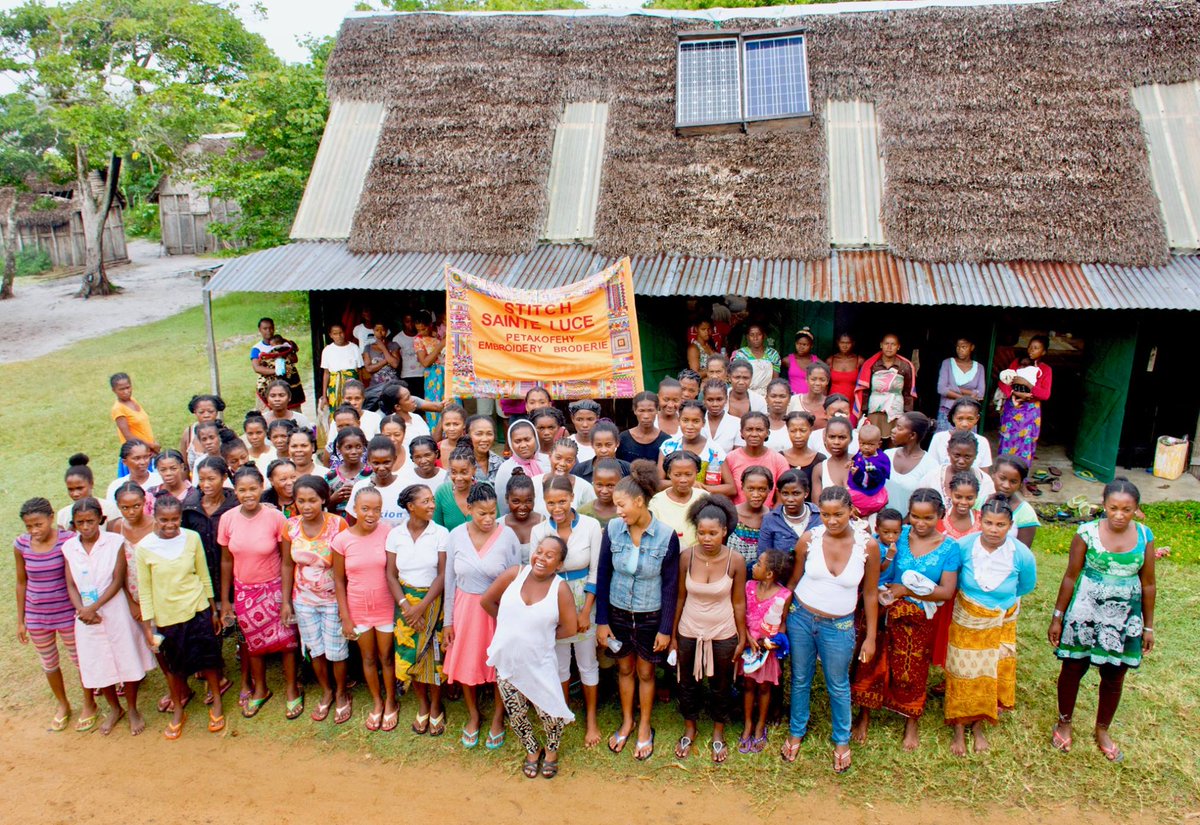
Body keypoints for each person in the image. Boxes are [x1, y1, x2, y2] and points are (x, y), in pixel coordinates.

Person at [1049, 477, 1154, 762]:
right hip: (1086, 612)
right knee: (1073, 667)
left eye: (1127, 509)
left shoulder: (1145, 536)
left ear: (1137, 509)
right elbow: (1070, 576)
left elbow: (1148, 584)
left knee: (1115, 674)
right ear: (1104, 505)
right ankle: (1064, 722)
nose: (1119, 515)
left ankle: (1102, 729)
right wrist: (1058, 617)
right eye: (1113, 508)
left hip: (1124, 619)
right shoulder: (1086, 533)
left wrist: (1148, 626)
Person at [781, 486, 881, 773]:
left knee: (837, 683)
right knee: (800, 677)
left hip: (840, 625)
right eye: (825, 514)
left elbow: (870, 593)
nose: (832, 520)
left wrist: (870, 637)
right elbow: (793, 582)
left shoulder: (867, 546)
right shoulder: (809, 539)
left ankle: (841, 739)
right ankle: (796, 731)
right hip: (801, 617)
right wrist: (781, 618)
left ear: (851, 511)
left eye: (838, 514)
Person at [850, 489, 959, 750]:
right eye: (916, 516)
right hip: (883, 610)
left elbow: (946, 591)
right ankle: (864, 714)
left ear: (940, 515)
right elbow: (873, 561)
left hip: (917, 618)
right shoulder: (897, 533)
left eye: (928, 518)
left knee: (913, 668)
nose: (920, 523)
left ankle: (911, 720)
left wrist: (906, 591)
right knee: (872, 661)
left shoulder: (950, 547)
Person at [595, 461, 681, 761]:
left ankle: (645, 725)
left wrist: (665, 629)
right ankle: (627, 721)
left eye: (622, 505)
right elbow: (603, 575)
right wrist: (602, 621)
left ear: (640, 502)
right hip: (618, 613)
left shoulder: (666, 536)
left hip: (649, 615)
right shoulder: (613, 530)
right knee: (625, 669)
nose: (617, 511)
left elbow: (670, 586)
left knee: (646, 671)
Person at [945, 497, 1036, 757]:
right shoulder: (964, 546)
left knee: (989, 672)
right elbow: (953, 576)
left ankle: (978, 725)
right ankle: (959, 727)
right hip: (967, 618)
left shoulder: (1021, 554)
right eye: (988, 523)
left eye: (1000, 525)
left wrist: (998, 604)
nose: (994, 530)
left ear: (1010, 525)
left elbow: (1025, 585)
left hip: (1001, 620)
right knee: (962, 672)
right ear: (980, 521)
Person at [482, 535, 578, 778]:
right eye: (539, 551)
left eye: (550, 555)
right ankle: (532, 750)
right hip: (507, 660)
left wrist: (540, 636)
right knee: (516, 713)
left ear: (559, 564)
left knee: (551, 712)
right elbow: (486, 601)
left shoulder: (560, 588)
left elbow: (570, 628)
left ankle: (552, 752)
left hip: (539, 663)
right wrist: (510, 626)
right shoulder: (514, 574)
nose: (541, 558)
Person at [135, 495, 226, 738]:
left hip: (197, 608)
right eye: (164, 520)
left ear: (180, 518)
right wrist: (148, 626)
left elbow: (204, 575)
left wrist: (213, 610)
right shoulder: (143, 548)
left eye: (174, 519)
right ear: (155, 518)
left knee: (208, 659)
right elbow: (145, 589)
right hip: (167, 616)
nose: (170, 524)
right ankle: (178, 709)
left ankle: (217, 702)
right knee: (174, 666)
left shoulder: (192, 538)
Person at [63, 498, 156, 735]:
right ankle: (115, 708)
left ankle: (132, 708)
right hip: (85, 616)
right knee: (98, 662)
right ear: (74, 524)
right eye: (80, 523)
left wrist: (94, 607)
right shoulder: (69, 548)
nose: (86, 527)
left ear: (100, 520)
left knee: (126, 657)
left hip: (114, 609)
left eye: (90, 521)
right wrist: (82, 609)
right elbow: (70, 583)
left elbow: (117, 580)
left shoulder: (115, 542)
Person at [217, 466, 301, 720]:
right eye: (242, 490)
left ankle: (291, 689)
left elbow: (287, 561)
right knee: (253, 644)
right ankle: (260, 689)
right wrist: (225, 600)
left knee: (287, 641)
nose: (248, 494)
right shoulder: (227, 519)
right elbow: (226, 561)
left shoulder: (275, 518)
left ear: (262, 487)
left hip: (274, 587)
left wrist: (286, 599)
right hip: (244, 591)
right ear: (235, 491)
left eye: (253, 489)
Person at [670, 495, 748, 764]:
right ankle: (689, 728)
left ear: (724, 531)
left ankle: (718, 731)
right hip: (689, 629)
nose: (706, 538)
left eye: (713, 533)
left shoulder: (735, 561)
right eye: (701, 532)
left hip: (723, 631)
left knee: (721, 684)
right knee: (686, 683)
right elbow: (680, 597)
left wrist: (741, 635)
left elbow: (739, 601)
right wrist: (673, 635)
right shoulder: (686, 557)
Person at [443, 483, 521, 749]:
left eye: (492, 512)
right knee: (467, 661)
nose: (489, 519)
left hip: (497, 610)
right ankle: (474, 715)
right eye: (482, 513)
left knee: (499, 665)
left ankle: (499, 716)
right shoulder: (456, 535)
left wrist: (514, 618)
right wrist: (448, 621)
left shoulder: (507, 536)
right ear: (469, 509)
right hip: (465, 609)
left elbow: (515, 579)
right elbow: (450, 580)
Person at [529, 477, 604, 748]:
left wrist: (585, 612)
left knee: (587, 661)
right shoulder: (539, 530)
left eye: (562, 501)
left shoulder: (590, 526)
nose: (557, 508)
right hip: (553, 600)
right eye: (551, 503)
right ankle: (563, 710)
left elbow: (596, 570)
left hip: (584, 599)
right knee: (559, 662)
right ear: (544, 503)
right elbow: (536, 570)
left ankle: (591, 719)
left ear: (572, 497)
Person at [14, 497, 99, 732]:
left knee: (80, 660)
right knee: (49, 663)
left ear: (51, 518)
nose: (34, 530)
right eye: (29, 526)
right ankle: (63, 705)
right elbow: (21, 583)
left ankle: (89, 703)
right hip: (37, 616)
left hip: (67, 613)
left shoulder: (68, 541)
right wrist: (21, 621)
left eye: (38, 524)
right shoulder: (21, 544)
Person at [282, 476, 350, 724]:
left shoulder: (338, 524)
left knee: (337, 650)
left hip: (332, 599)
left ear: (323, 499)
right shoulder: (290, 527)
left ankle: (341, 693)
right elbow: (286, 565)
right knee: (315, 648)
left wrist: (345, 605)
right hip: (303, 600)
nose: (306, 506)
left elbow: (345, 567)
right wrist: (286, 601)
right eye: (301, 501)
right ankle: (327, 691)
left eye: (312, 500)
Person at [332, 486, 399, 732]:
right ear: (354, 509)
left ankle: (391, 700)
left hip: (385, 605)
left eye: (377, 509)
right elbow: (339, 580)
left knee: (386, 657)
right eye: (365, 509)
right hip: (358, 607)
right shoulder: (342, 540)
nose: (371, 514)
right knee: (368, 658)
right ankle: (377, 701)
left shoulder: (388, 533)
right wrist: (345, 617)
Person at [386, 483, 449, 736]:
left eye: (432, 500)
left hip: (432, 601)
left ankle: (435, 706)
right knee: (410, 654)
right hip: (404, 602)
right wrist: (406, 606)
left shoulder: (440, 533)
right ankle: (422, 703)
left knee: (433, 657)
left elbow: (443, 574)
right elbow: (391, 575)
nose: (432, 505)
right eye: (426, 501)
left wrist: (421, 607)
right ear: (411, 507)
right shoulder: (395, 535)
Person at [739, 548, 792, 754]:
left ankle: (760, 725)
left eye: (759, 564)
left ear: (769, 574)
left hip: (766, 651)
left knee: (764, 688)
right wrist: (747, 637)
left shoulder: (784, 595)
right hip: (748, 646)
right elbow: (741, 614)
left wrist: (772, 642)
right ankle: (748, 723)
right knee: (748, 685)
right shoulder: (748, 586)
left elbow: (782, 623)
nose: (753, 566)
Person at [998, 335, 1053, 464]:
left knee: (1026, 443)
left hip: (1030, 412)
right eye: (1030, 347)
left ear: (1043, 352)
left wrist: (1028, 385)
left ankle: (1021, 473)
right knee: (1007, 438)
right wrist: (1014, 393)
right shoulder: (1017, 363)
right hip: (1012, 407)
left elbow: (1045, 395)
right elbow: (1003, 382)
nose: (1031, 350)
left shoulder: (1045, 370)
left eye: (1036, 348)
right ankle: (1003, 470)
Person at [853, 333, 916, 436]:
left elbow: (908, 392)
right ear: (881, 345)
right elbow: (865, 391)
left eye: (893, 344)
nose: (889, 347)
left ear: (898, 347)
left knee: (895, 439)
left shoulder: (904, 366)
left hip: (896, 410)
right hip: (874, 409)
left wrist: (907, 414)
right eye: (886, 344)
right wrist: (863, 411)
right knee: (873, 437)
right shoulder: (872, 365)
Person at [917, 429, 996, 509]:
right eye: (957, 456)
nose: (961, 461)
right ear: (948, 451)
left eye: (967, 457)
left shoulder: (985, 482)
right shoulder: (932, 478)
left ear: (975, 455)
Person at [657, 400, 725, 492]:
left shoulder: (714, 450)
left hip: (703, 499)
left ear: (703, 423)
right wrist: (688, 483)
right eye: (685, 420)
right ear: (678, 420)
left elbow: (731, 487)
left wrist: (702, 488)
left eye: (696, 421)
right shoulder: (668, 446)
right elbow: (658, 483)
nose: (690, 426)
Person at [883, 411, 938, 517]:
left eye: (899, 428)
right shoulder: (887, 455)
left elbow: (926, 502)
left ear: (912, 435)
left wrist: (903, 523)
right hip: (881, 520)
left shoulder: (930, 465)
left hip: (909, 524)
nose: (893, 430)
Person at [650, 451, 708, 549]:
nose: (683, 480)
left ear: (696, 473)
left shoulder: (704, 498)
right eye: (677, 475)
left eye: (688, 474)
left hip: (698, 554)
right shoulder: (656, 502)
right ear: (669, 474)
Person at [759, 469, 820, 554]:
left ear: (806, 493)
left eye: (796, 493)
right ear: (779, 493)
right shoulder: (770, 520)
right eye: (785, 494)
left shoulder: (819, 516)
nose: (790, 499)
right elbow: (764, 555)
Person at [109, 373, 159, 475]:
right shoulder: (118, 409)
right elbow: (128, 436)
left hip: (147, 451)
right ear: (114, 390)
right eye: (121, 389)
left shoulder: (132, 401)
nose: (126, 392)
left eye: (128, 387)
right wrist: (151, 446)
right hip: (136, 455)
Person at [496, 420, 549, 514]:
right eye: (517, 441)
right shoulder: (505, 469)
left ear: (536, 439)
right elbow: (503, 506)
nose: (523, 445)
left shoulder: (548, 461)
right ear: (510, 443)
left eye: (527, 440)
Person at [251, 317, 304, 410]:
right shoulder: (257, 349)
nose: (268, 331)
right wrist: (277, 371)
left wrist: (287, 354)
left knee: (292, 412)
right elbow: (257, 368)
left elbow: (295, 359)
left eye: (271, 328)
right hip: (268, 385)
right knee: (267, 413)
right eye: (265, 328)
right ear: (260, 330)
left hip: (289, 384)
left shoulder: (284, 343)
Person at [936, 338, 986, 432]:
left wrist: (951, 388)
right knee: (946, 438)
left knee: (966, 439)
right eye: (958, 347)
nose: (960, 350)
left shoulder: (979, 367)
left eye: (964, 347)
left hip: (969, 413)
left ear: (972, 347)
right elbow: (941, 389)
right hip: (948, 411)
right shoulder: (947, 363)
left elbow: (980, 394)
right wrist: (967, 396)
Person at [57, 455, 119, 528]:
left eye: (80, 488)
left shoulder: (109, 509)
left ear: (91, 484)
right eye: (70, 489)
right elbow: (63, 535)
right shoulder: (63, 515)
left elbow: (114, 534)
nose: (75, 494)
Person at [990, 456, 1040, 547]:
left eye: (1013, 482)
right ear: (993, 475)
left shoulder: (1025, 512)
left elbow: (1023, 551)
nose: (1006, 485)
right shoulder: (980, 501)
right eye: (1002, 478)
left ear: (1021, 484)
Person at [928, 399, 992, 469]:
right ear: (953, 417)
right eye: (960, 418)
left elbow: (983, 473)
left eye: (970, 419)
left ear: (977, 418)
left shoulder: (982, 442)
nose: (965, 424)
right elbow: (931, 468)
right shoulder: (939, 438)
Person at [729, 467, 772, 566]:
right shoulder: (731, 514)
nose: (756, 494)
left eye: (762, 489)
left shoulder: (772, 518)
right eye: (751, 489)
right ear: (742, 487)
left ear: (769, 489)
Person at [848, 423, 891, 519]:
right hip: (858, 488)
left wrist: (858, 474)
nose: (866, 447)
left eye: (870, 444)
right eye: (863, 444)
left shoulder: (880, 460)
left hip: (872, 492)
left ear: (879, 444)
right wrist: (851, 464)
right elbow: (856, 461)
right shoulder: (861, 453)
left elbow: (875, 477)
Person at [326, 427, 371, 518]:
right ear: (339, 448)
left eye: (358, 447)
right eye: (348, 447)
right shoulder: (330, 476)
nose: (354, 452)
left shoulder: (371, 475)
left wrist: (356, 494)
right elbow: (324, 509)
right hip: (338, 524)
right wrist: (333, 499)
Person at [413, 309, 446, 429]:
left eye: (423, 329)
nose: (421, 332)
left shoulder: (439, 334)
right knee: (434, 404)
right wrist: (440, 346)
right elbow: (425, 362)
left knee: (449, 402)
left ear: (430, 325)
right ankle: (435, 431)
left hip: (446, 373)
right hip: (433, 375)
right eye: (418, 330)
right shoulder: (418, 340)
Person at [320, 324, 363, 414]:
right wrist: (324, 395)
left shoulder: (354, 348)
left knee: (353, 411)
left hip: (352, 386)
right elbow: (326, 373)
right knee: (336, 412)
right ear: (330, 335)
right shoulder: (327, 350)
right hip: (335, 387)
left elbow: (359, 371)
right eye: (335, 334)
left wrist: (362, 389)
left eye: (341, 333)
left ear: (345, 332)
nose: (339, 336)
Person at [179, 394, 226, 474]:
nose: (206, 415)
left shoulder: (225, 431)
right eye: (201, 412)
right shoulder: (189, 433)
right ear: (195, 412)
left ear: (217, 412)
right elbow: (184, 466)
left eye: (210, 411)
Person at [618, 392, 669, 464]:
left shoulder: (666, 441)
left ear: (657, 410)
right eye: (641, 411)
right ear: (635, 410)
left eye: (650, 410)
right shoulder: (623, 439)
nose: (646, 416)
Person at [502, 473, 544, 561]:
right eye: (516, 501)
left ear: (534, 498)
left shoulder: (542, 522)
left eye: (528, 501)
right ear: (506, 499)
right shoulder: (499, 525)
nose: (522, 507)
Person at [810, 417, 854, 500]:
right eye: (832, 437)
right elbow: (817, 505)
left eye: (842, 437)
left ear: (851, 439)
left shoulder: (861, 463)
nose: (836, 442)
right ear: (825, 438)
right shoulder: (820, 469)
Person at [780, 411, 825, 490]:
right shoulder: (780, 458)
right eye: (793, 431)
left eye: (803, 430)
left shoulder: (820, 460)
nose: (798, 435)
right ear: (787, 430)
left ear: (810, 430)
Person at [434, 447, 477, 531]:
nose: (458, 478)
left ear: (474, 470)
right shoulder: (442, 492)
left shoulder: (485, 490)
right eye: (453, 472)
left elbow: (495, 527)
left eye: (464, 472)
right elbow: (436, 529)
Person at [731, 322, 780, 394]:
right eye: (752, 335)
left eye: (759, 334)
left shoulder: (772, 354)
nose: (755, 338)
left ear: (764, 336)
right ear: (747, 337)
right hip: (746, 393)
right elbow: (738, 378)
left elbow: (775, 380)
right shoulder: (741, 354)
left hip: (767, 393)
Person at [787, 361, 831, 431]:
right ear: (806, 379)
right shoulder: (794, 400)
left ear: (827, 381)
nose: (817, 383)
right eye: (813, 379)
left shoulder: (830, 404)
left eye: (822, 380)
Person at [391, 313, 427, 398]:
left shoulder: (423, 334)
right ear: (403, 322)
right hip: (407, 375)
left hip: (423, 374)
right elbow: (398, 361)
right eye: (407, 322)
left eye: (412, 321)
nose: (410, 324)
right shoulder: (397, 339)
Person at [578, 458, 621, 528]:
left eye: (610, 485)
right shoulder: (583, 512)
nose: (604, 491)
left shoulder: (626, 512)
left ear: (620, 484)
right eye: (599, 485)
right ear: (593, 483)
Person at [701, 380, 741, 455]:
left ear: (726, 399)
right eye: (710, 400)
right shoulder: (696, 421)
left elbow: (737, 455)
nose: (715, 404)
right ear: (704, 400)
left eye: (719, 399)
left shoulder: (737, 423)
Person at [362, 321, 401, 389]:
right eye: (377, 330)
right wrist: (386, 360)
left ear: (386, 331)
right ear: (373, 331)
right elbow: (369, 369)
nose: (380, 333)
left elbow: (395, 364)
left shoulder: (393, 345)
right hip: (375, 386)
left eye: (382, 330)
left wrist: (383, 347)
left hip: (393, 385)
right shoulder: (368, 347)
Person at [827, 333, 864, 402]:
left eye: (848, 343)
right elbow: (825, 384)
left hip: (853, 401)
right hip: (833, 402)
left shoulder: (859, 360)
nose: (844, 346)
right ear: (838, 343)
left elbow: (864, 384)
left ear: (853, 343)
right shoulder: (830, 360)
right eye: (842, 343)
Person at [466, 414, 503, 483]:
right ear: (467, 435)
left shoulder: (499, 463)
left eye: (489, 434)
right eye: (479, 434)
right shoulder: (459, 463)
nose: (485, 439)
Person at [782, 329, 819, 396]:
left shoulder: (817, 362)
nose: (801, 347)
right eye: (798, 344)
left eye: (804, 344)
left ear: (811, 346)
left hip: (811, 398)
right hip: (793, 398)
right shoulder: (787, 361)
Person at [436, 405, 468, 469]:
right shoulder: (436, 449)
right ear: (442, 425)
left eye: (456, 424)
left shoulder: (474, 447)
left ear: (464, 424)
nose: (451, 428)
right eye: (447, 424)